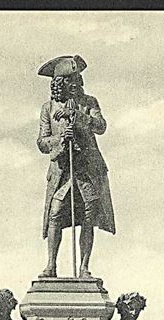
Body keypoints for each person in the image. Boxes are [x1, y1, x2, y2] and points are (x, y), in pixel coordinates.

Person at [37, 54, 115, 278]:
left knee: (88, 216)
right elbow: (42, 142)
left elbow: (100, 126)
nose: (76, 84)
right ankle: (51, 266)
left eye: (77, 80)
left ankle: (84, 268)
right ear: (60, 84)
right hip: (62, 170)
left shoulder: (89, 103)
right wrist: (61, 141)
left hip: (86, 170)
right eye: (70, 81)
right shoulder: (48, 108)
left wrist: (78, 116)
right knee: (56, 214)